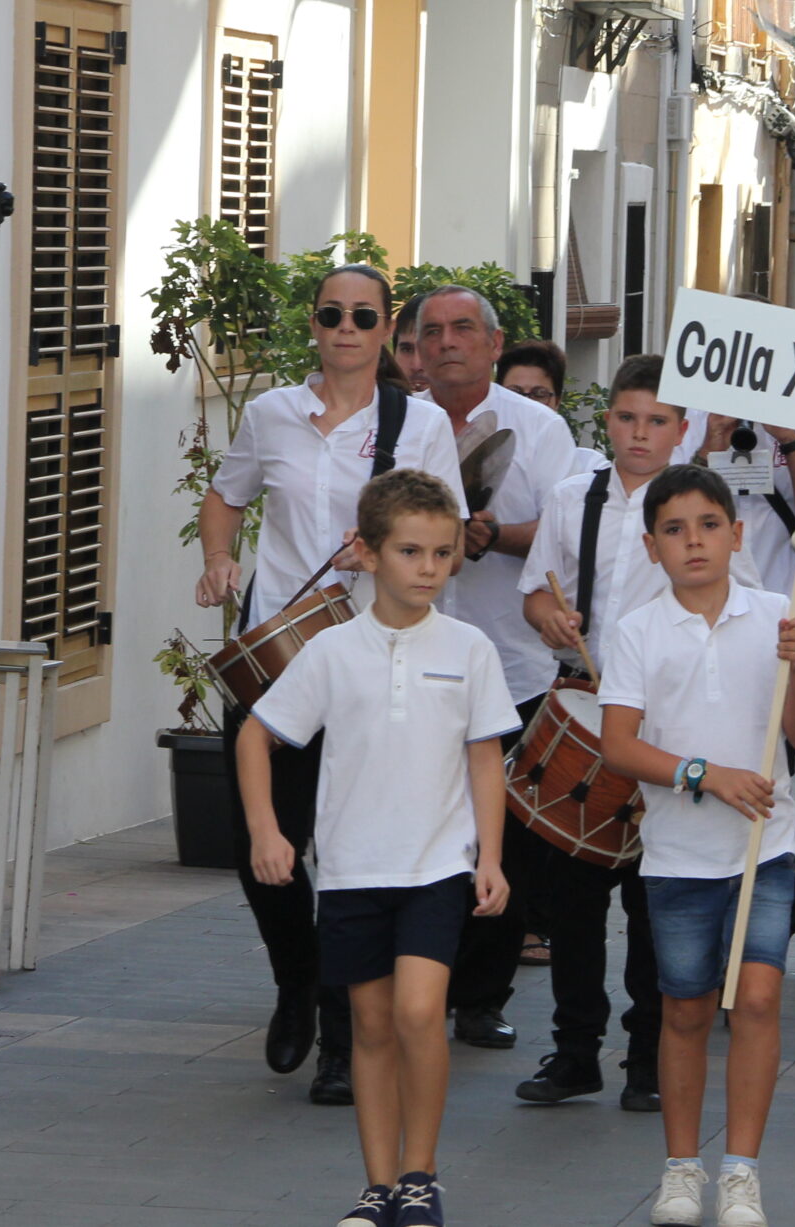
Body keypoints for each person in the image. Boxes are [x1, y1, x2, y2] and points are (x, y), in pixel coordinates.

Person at [195, 264, 466, 1107]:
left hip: (372, 647)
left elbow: (443, 534)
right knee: (260, 842)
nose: (345, 327)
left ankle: (343, 1042)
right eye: (330, 314)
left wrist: (387, 549)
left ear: (390, 331)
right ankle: (297, 977)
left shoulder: (416, 423)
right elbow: (225, 494)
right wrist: (216, 558)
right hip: (282, 650)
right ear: (312, 325)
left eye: (363, 316)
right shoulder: (273, 412)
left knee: (349, 848)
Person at [239, 471, 516, 1227]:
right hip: (354, 868)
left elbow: (486, 756)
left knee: (421, 1012)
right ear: (365, 552)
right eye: (409, 550)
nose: (427, 566)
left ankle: (421, 1176)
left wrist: (489, 856)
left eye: (442, 551)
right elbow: (256, 733)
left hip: (437, 865)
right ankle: (378, 1185)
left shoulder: (469, 648)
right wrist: (269, 829)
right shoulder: (331, 651)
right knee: (369, 1024)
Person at [514, 355, 752, 1110]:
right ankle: (576, 1047)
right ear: (606, 419)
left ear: (682, 429)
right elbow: (533, 590)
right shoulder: (570, 498)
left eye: (656, 420)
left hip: (669, 722)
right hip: (588, 706)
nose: (639, 433)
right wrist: (547, 615)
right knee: (574, 899)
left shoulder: (696, 504)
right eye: (626, 417)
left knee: (658, 900)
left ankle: (650, 1054)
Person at [599, 464, 795, 1227]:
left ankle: (742, 1172)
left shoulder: (776, 615)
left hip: (766, 843)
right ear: (651, 545)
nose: (693, 540)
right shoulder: (636, 629)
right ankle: (681, 1167)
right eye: (673, 528)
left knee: (757, 997)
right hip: (677, 853)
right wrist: (703, 773)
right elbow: (619, 747)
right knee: (687, 1009)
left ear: (735, 531)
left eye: (707, 524)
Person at [409, 286, 580, 1053]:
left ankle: (481, 994)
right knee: (414, 825)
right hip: (410, 659)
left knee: (498, 835)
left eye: (464, 329)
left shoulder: (539, 429)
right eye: (432, 331)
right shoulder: (400, 423)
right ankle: (411, 980)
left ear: (494, 341)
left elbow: (564, 529)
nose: (448, 342)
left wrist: (495, 533)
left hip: (511, 664)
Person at [692, 416, 795, 987]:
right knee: (741, 784)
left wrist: (790, 441)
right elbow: (672, 510)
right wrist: (713, 441)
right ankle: (746, 930)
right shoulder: (696, 416)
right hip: (719, 628)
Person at [499, 340, 607, 476]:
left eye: (539, 394)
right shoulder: (482, 459)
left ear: (557, 401)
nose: (526, 404)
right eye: (515, 394)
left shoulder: (588, 469)